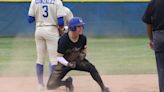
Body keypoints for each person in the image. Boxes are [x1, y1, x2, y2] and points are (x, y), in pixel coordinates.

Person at [46, 17, 110, 92]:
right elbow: (59, 57)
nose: (81, 28)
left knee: (91, 67)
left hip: (76, 61)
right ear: (72, 28)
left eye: (82, 26)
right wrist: (68, 64)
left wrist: (81, 56)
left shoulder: (83, 38)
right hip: (64, 63)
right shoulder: (63, 40)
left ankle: (103, 88)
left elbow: (84, 50)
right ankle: (67, 83)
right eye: (79, 26)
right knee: (50, 85)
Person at [28, 0, 66, 91]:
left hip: (39, 30)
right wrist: (61, 29)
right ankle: (53, 85)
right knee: (53, 59)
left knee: (40, 58)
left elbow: (30, 19)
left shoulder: (34, 1)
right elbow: (60, 22)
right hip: (51, 30)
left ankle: (40, 85)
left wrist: (40, 15)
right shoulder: (57, 1)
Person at [142, 0, 164, 92]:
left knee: (162, 69)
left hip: (159, 36)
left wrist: (151, 39)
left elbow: (148, 23)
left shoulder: (153, 2)